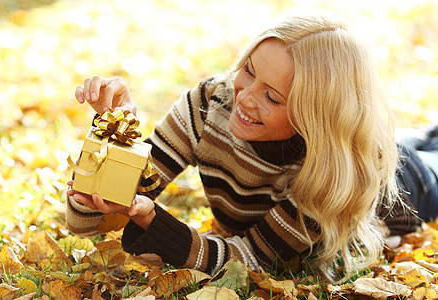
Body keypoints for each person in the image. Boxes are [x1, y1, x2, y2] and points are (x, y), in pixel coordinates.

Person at [65, 12, 436, 282]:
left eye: (272, 97)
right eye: (250, 72)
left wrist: (152, 220)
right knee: (419, 134)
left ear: (314, 118)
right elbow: (87, 223)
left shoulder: (327, 174)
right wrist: (114, 136)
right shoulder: (212, 103)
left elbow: (251, 260)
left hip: (406, 186)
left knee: (421, 154)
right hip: (383, 146)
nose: (244, 98)